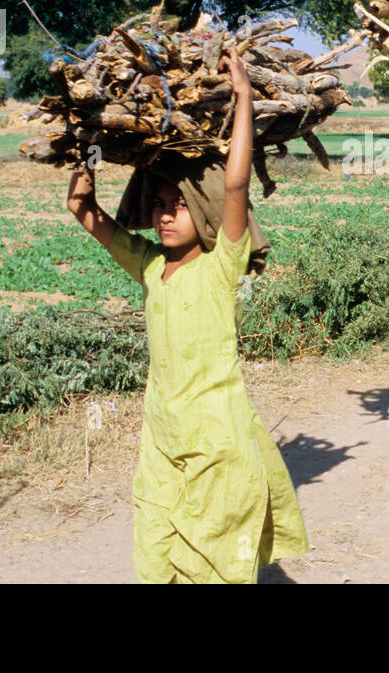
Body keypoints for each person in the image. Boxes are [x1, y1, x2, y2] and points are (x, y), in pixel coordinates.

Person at [65, 38, 308, 583]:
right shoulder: (150, 266)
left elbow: (237, 185)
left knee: (212, 560)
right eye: (158, 205)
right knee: (154, 552)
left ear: (199, 212)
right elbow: (81, 208)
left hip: (218, 437)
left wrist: (243, 98)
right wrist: (86, 138)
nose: (165, 215)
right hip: (161, 437)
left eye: (177, 206)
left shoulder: (222, 266)